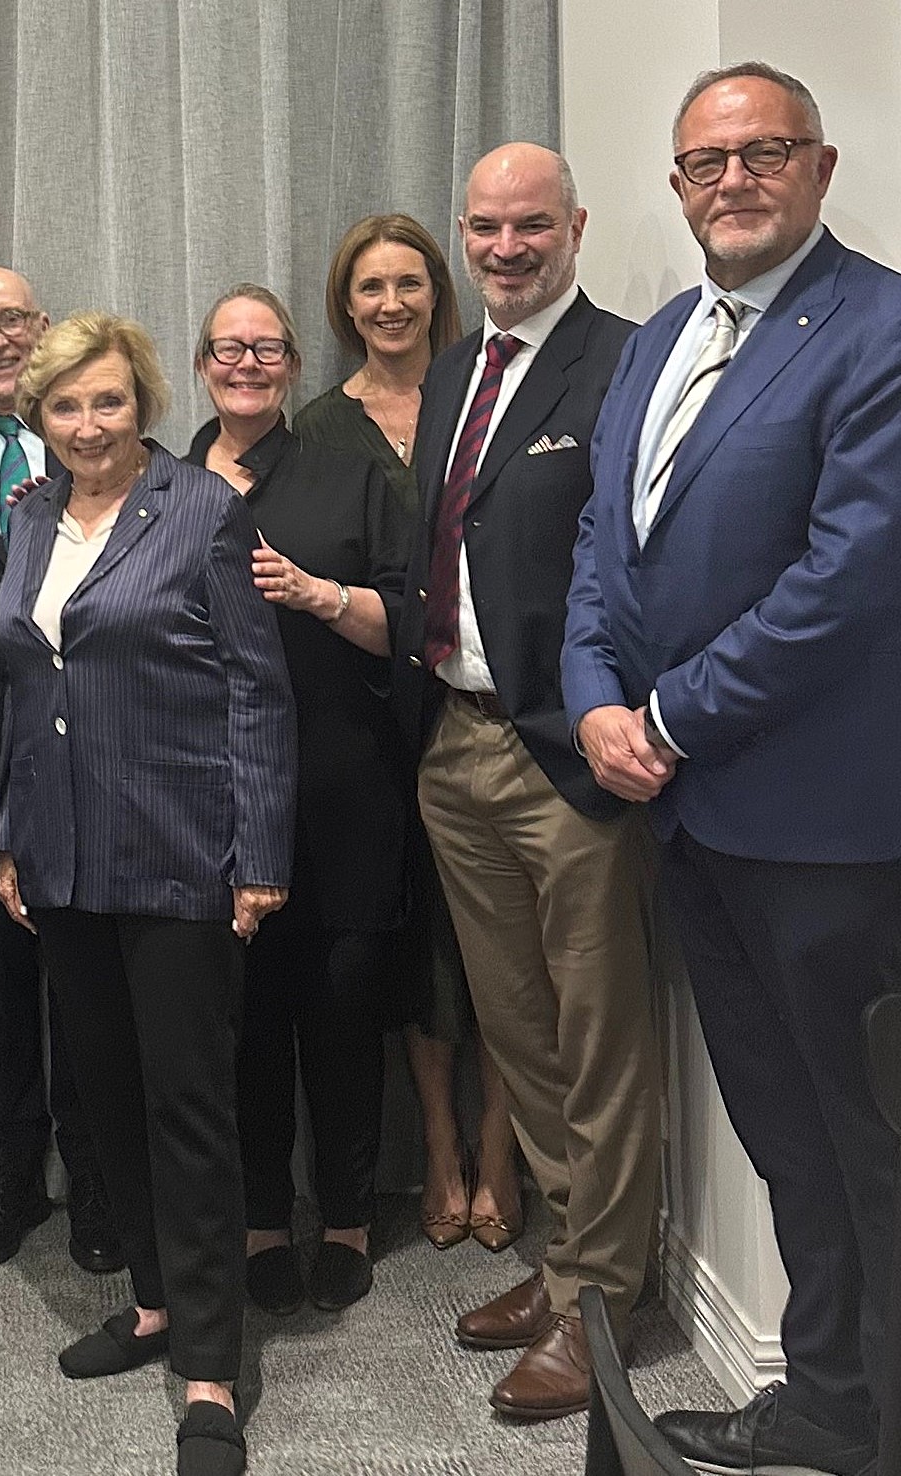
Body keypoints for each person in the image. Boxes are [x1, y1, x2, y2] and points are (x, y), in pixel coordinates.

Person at [564, 61, 901, 1476]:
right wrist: (593, 700)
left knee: (867, 1148)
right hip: (692, 823)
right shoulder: (661, 338)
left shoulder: (878, 331)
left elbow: (847, 581)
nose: (734, 180)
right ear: (677, 187)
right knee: (784, 1136)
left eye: (765, 152)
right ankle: (828, 1403)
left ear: (819, 168)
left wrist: (668, 719)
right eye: (706, 162)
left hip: (825, 834)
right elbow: (605, 543)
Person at [0, 312, 295, 1476]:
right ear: (40, 416)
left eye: (106, 401)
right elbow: (27, 687)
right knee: (106, 1094)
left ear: (142, 403)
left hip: (179, 851)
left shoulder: (202, 510)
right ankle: (157, 1303)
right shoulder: (29, 517)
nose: (86, 425)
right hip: (63, 858)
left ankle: (211, 1363)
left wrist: (259, 855)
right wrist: (9, 839)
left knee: (186, 1107)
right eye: (64, 405)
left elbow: (257, 691)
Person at [387, 143, 658, 1422]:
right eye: (484, 227)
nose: (504, 248)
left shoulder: (625, 363)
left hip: (563, 747)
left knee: (597, 1038)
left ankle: (601, 1299)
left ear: (574, 227)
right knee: (517, 1028)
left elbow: (641, 558)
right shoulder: (454, 369)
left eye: (529, 226)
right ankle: (567, 1264)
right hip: (454, 743)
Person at [181, 285, 411, 1315]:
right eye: (227, 349)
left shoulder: (349, 476)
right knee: (246, 1021)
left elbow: (408, 624)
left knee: (343, 1011)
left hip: (338, 787)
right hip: (211, 800)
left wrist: (321, 595)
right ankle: (263, 1219)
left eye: (266, 348)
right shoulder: (161, 481)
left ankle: (349, 1218)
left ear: (292, 365)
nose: (246, 364)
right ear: (201, 364)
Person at [297, 217, 523, 1256]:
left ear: (437, 291)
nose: (389, 305)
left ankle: (500, 1144)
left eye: (407, 284)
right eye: (368, 288)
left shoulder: (487, 396)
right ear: (344, 307)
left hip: (491, 711)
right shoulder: (316, 428)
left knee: (503, 945)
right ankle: (437, 1144)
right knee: (419, 948)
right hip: (377, 728)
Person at [0, 266, 119, 1276]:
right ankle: (12, 1170)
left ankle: (94, 1172)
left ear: (41, 327)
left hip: (92, 756)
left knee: (84, 971)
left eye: (12, 320)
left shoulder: (93, 436)